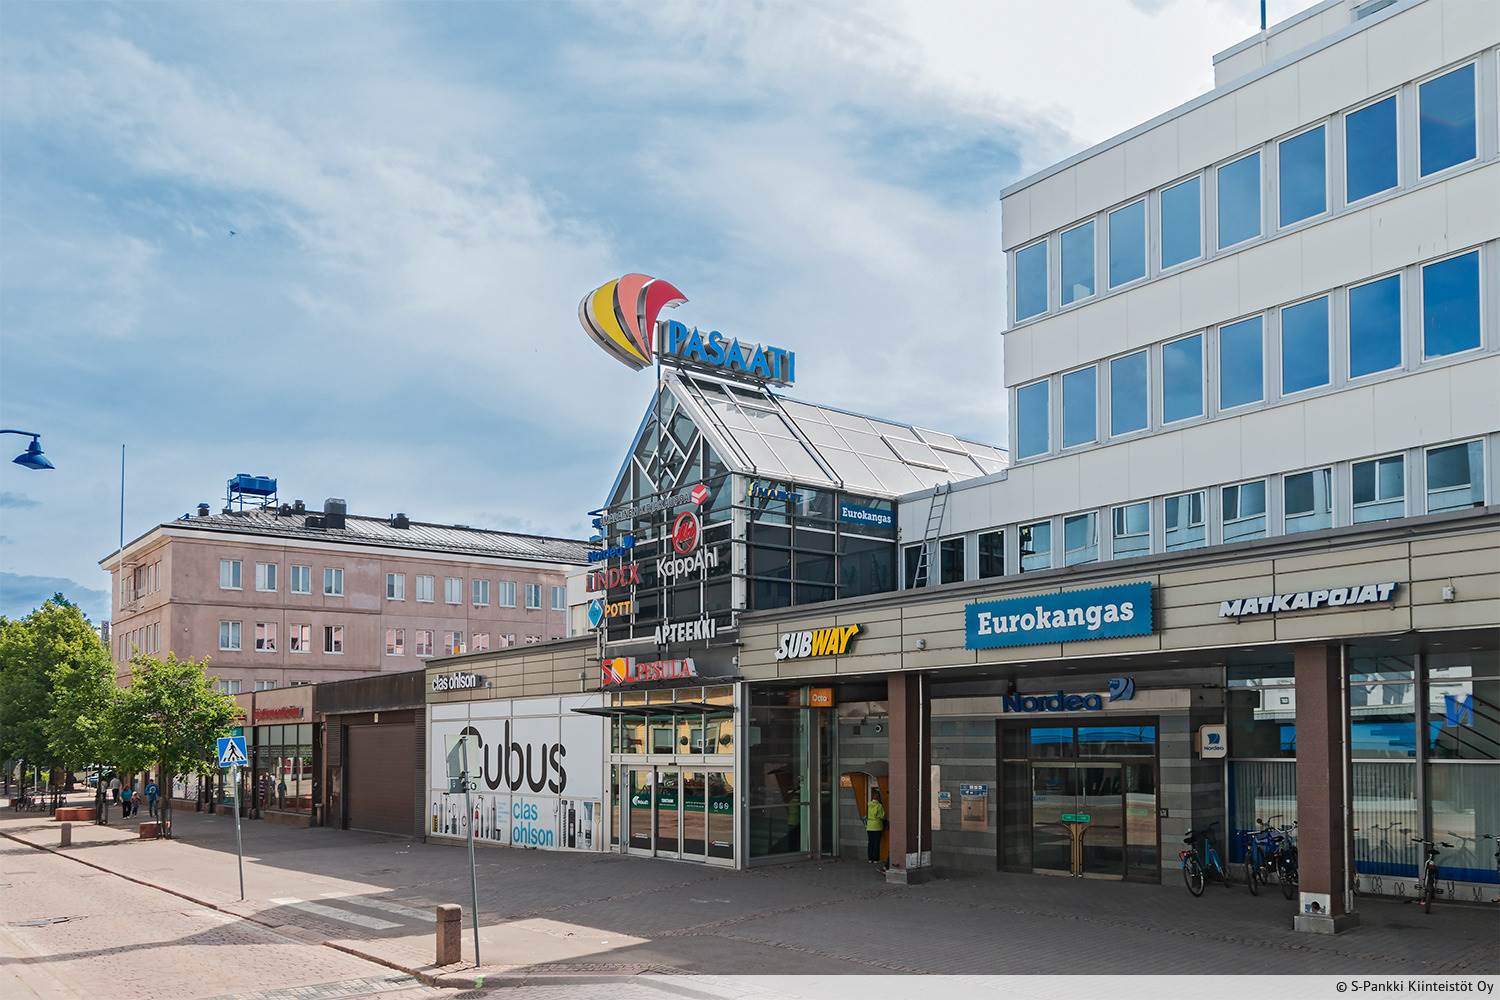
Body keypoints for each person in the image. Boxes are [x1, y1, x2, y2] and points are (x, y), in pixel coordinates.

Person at [866, 788, 886, 867]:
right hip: (877, 826)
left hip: (869, 826)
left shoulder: (868, 804)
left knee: (870, 843)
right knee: (876, 843)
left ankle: (870, 858)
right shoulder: (879, 805)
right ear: (878, 797)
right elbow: (882, 816)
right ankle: (875, 859)